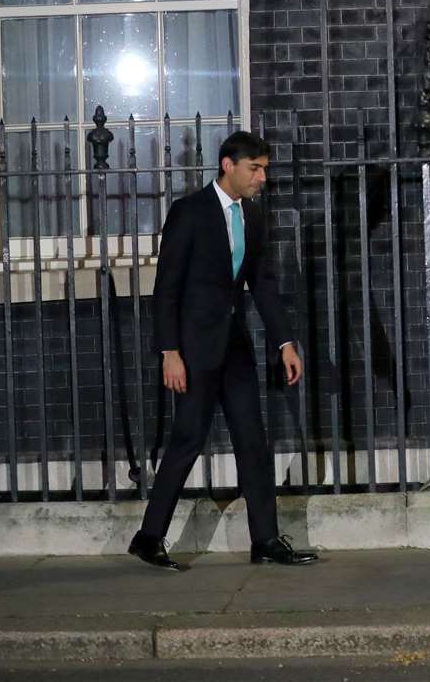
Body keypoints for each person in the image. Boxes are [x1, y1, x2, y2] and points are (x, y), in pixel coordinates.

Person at [127, 131, 317, 570]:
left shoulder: (252, 217)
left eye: (265, 168)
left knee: (254, 440)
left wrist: (285, 342)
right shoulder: (189, 212)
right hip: (192, 349)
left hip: (234, 347)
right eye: (255, 168)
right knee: (188, 440)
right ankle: (149, 537)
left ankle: (266, 540)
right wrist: (169, 351)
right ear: (228, 165)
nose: (262, 177)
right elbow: (166, 288)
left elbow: (262, 285)